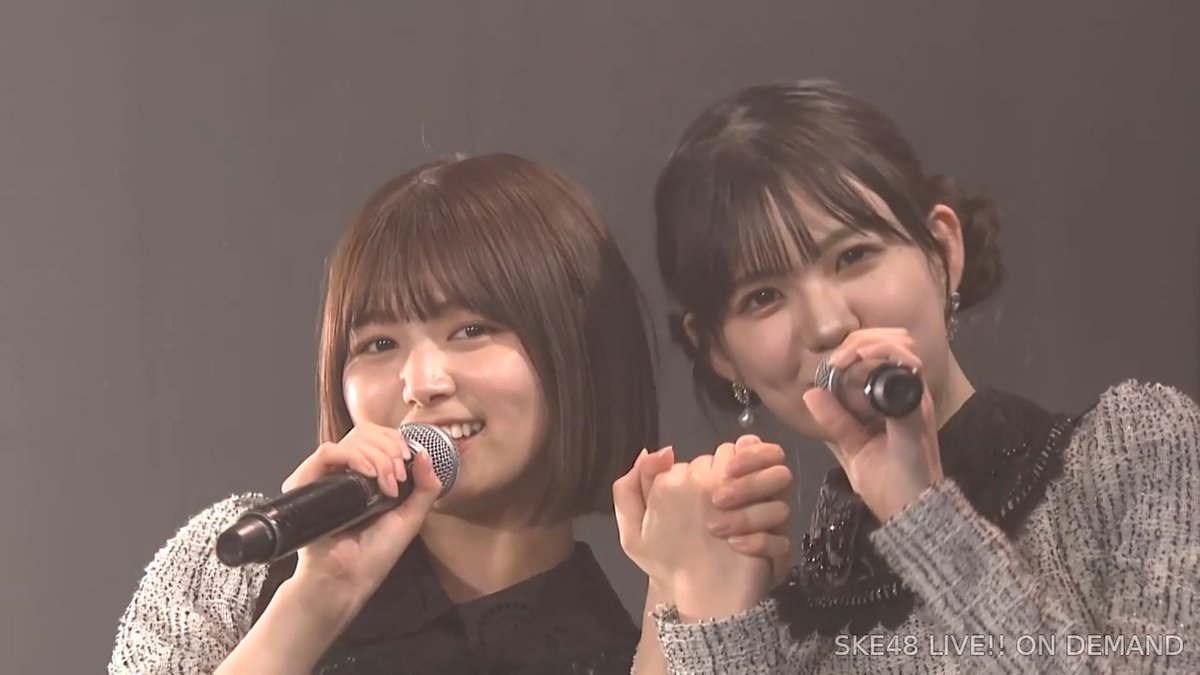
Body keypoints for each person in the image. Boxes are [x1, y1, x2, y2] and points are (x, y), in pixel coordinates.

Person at [615, 79, 1200, 673]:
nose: (829, 323)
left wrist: (926, 518)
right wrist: (712, 624)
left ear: (943, 252)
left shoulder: (1136, 449)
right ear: (718, 350)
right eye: (763, 296)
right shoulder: (770, 620)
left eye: (853, 256)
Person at [108, 152, 747, 674]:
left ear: (580, 353)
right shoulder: (232, 573)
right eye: (378, 344)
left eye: (471, 330)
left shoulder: (648, 650)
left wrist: (684, 603)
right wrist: (317, 599)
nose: (421, 383)